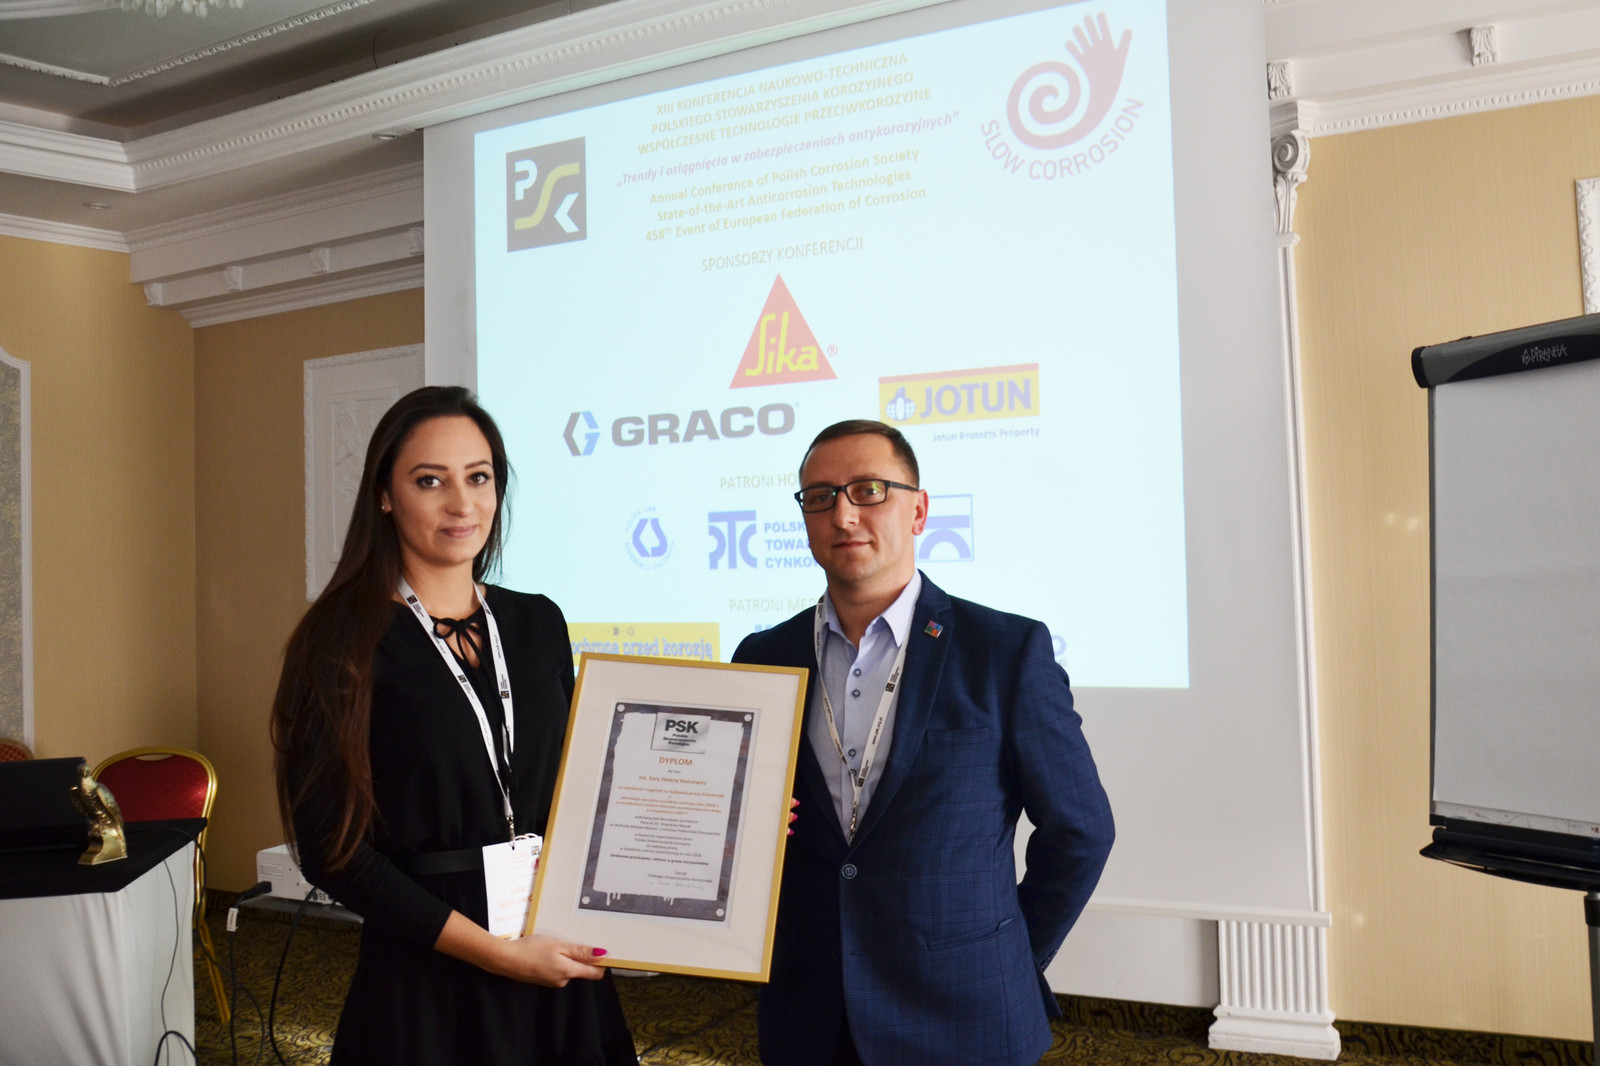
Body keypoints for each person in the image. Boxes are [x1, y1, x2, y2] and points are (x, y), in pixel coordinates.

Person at [270, 386, 635, 1066]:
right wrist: (497, 954)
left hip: (552, 948)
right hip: (427, 972)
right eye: (429, 481)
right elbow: (333, 851)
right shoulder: (339, 641)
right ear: (385, 495)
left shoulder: (537, 622)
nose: (462, 504)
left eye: (479, 477)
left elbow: (583, 786)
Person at [733, 419, 1115, 1066]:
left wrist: (1010, 956)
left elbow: (1081, 831)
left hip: (966, 1014)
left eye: (869, 490)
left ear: (918, 511)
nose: (843, 514)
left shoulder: (1005, 652)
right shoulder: (763, 656)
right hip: (811, 1015)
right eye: (820, 497)